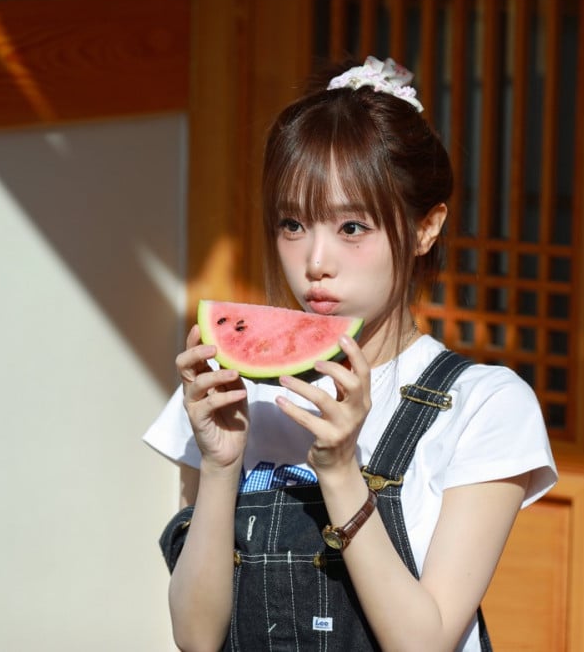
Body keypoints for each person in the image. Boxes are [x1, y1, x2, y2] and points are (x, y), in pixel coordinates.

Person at [144, 56, 557, 652]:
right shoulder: (232, 391)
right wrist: (219, 466)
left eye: (352, 228)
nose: (315, 262)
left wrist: (340, 472)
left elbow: (425, 642)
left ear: (425, 228)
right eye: (292, 224)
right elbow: (195, 637)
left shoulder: (483, 406)